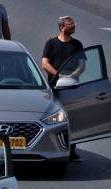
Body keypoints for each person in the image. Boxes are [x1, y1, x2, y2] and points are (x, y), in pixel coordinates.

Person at [41, 16, 86, 160]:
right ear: (62, 27)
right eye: (70, 23)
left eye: (73, 23)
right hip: (55, 88)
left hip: (72, 88)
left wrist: (72, 76)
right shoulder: (51, 43)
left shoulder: (77, 45)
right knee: (55, 117)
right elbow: (45, 64)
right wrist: (59, 76)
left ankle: (71, 150)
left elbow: (82, 65)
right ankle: (53, 146)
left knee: (72, 118)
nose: (74, 25)